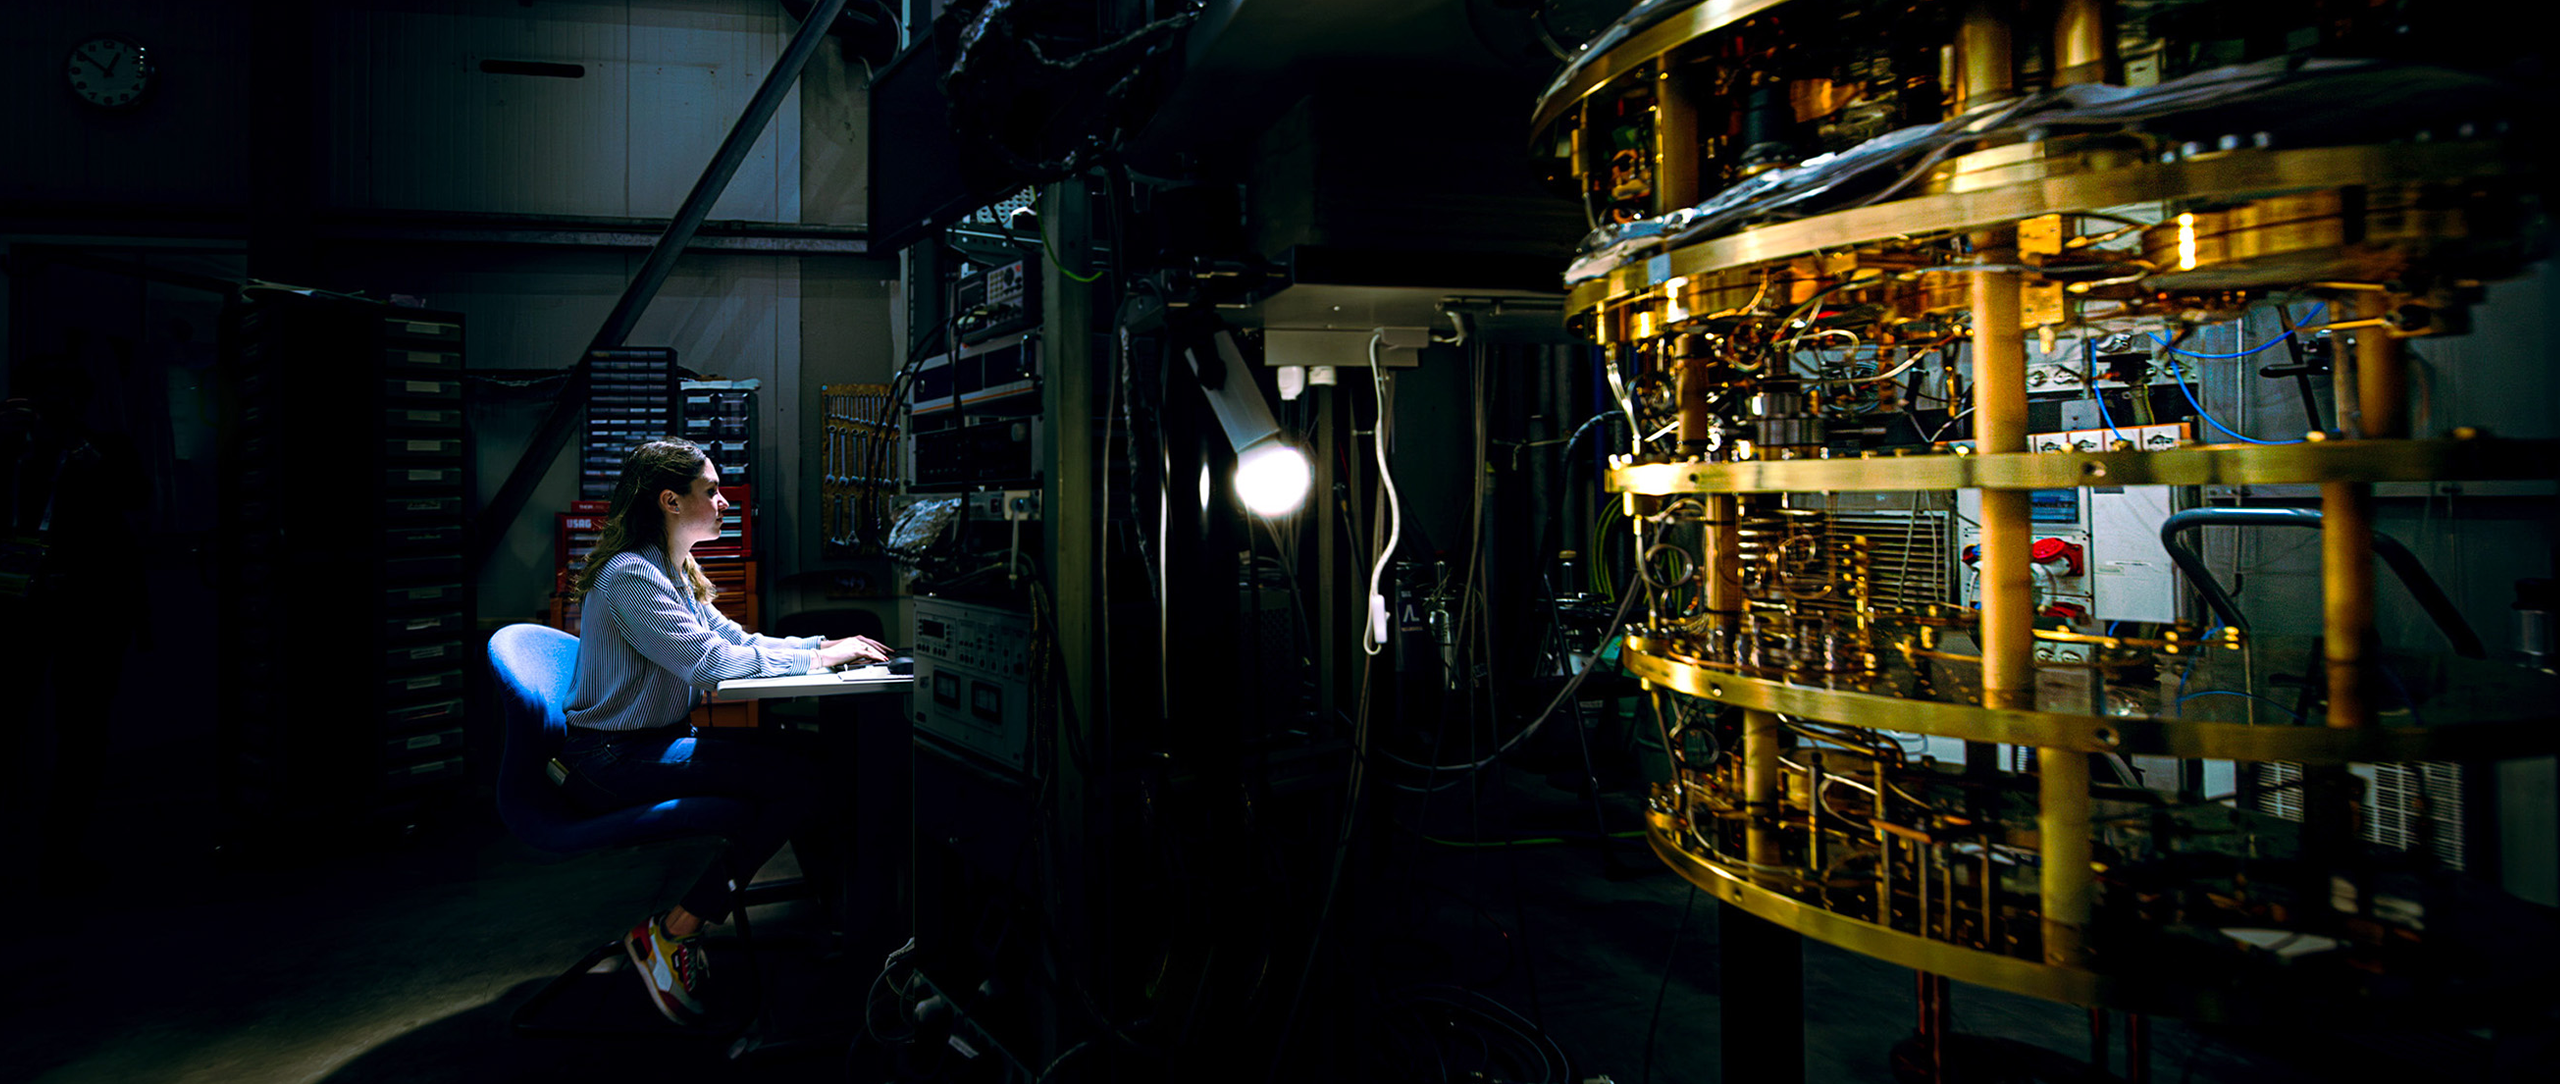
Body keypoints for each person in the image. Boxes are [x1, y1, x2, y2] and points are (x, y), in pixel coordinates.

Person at [557, 437, 891, 1024]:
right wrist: (818, 664)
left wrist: (822, 647)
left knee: (815, 760)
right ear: (669, 500)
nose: (724, 503)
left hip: (648, 744)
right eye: (710, 491)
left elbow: (739, 643)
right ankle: (674, 930)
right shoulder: (630, 577)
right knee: (803, 782)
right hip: (611, 761)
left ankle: (836, 913)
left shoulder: (671, 569)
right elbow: (709, 665)